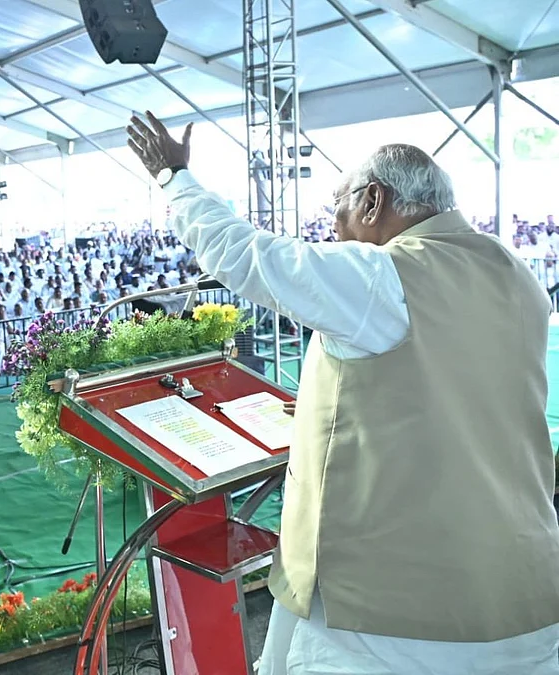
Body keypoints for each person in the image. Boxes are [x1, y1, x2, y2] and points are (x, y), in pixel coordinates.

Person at [126, 114, 559, 673]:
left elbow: (244, 255)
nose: (333, 224)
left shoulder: (384, 274)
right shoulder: (514, 271)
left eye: (338, 204)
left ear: (373, 201)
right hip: (523, 586)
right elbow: (454, 388)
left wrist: (174, 177)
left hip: (395, 612)